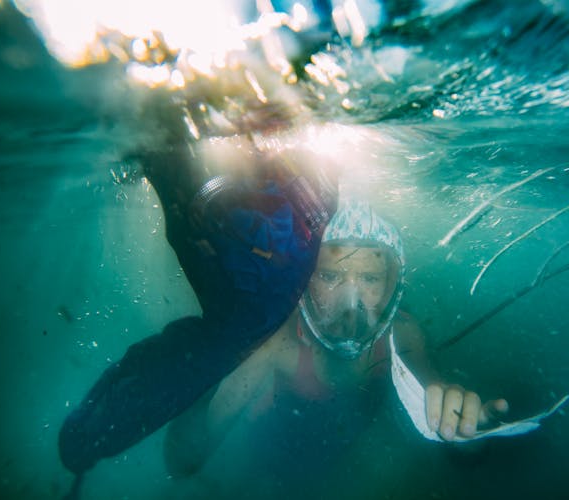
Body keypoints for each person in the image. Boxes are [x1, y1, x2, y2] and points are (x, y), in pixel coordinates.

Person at [57, 93, 340, 482]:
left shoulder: (262, 309)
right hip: (230, 231)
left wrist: (87, 441)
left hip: (220, 210)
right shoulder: (262, 311)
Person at [162, 200, 510, 488]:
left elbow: (440, 407)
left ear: (394, 284)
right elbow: (183, 459)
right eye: (330, 276)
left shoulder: (402, 335)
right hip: (272, 464)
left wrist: (465, 435)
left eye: (371, 278)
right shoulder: (275, 345)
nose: (351, 302)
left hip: (344, 461)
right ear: (303, 280)